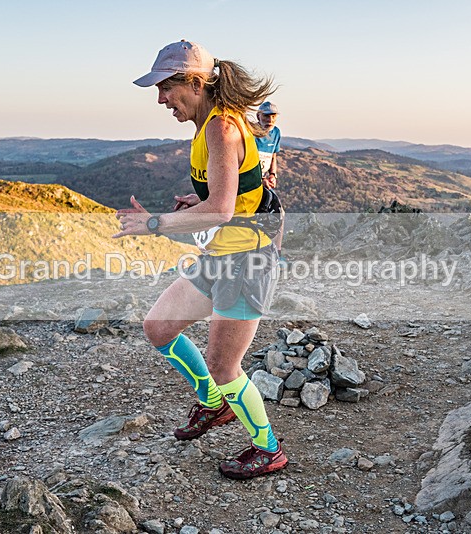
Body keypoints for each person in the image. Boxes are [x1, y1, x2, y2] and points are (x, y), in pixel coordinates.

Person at [115, 40, 288, 479]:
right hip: (220, 255)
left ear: (193, 82)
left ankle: (268, 449)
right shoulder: (207, 125)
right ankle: (214, 406)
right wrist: (199, 199)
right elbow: (230, 194)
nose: (160, 99)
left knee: (223, 365)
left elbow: (223, 210)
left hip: (247, 261)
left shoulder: (221, 128)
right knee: (159, 326)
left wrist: (153, 224)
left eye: (165, 88)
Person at [255, 101, 285, 254]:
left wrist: (273, 174)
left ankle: (276, 253)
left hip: (264, 182)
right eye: (266, 116)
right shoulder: (251, 133)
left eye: (273, 117)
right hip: (249, 182)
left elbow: (273, 155)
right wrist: (261, 180)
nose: (270, 120)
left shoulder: (276, 132)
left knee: (279, 214)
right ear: (258, 116)